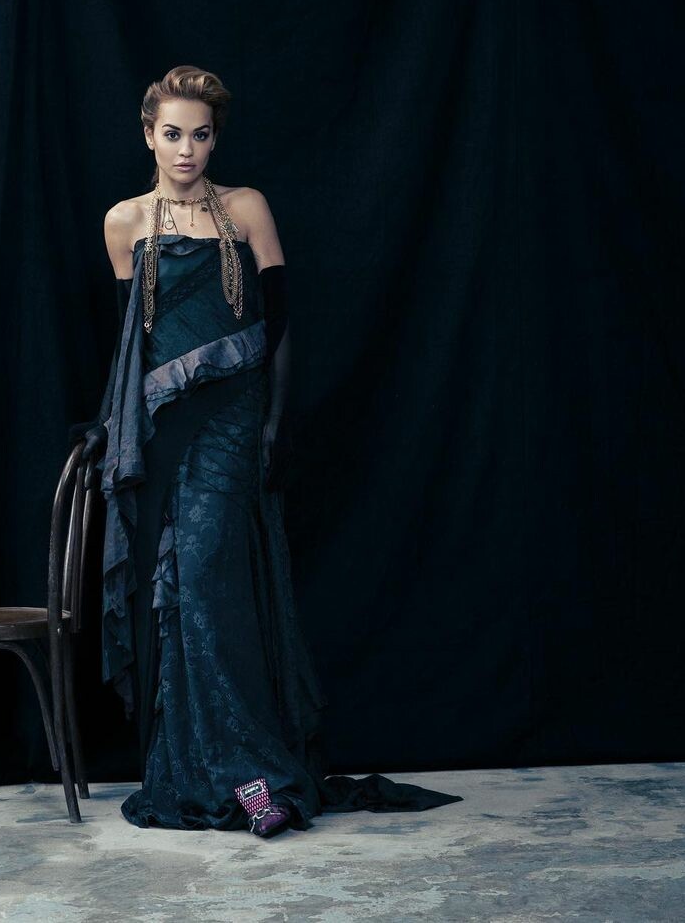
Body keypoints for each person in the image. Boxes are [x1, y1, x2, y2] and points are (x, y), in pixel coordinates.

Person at [68, 64, 462, 836]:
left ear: (215, 138)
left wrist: (274, 425)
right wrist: (115, 429)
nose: (188, 149)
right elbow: (131, 343)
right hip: (161, 431)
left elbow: (278, 326)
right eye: (173, 134)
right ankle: (208, 773)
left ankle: (257, 777)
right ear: (148, 135)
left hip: (233, 424)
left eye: (201, 134)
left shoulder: (246, 208)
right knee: (178, 598)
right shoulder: (123, 222)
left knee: (214, 590)